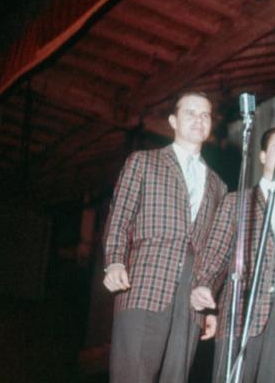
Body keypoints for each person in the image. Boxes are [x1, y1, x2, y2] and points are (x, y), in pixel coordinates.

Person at [102, 89, 227, 383]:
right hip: (144, 285)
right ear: (173, 120)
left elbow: (215, 250)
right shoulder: (143, 162)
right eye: (190, 113)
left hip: (191, 301)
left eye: (205, 115)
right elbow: (119, 217)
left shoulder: (219, 186)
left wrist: (211, 308)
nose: (199, 120)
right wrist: (115, 262)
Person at [190, 127, 275, 383]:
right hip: (239, 317)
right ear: (262, 156)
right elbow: (215, 254)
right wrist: (204, 286)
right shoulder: (235, 201)